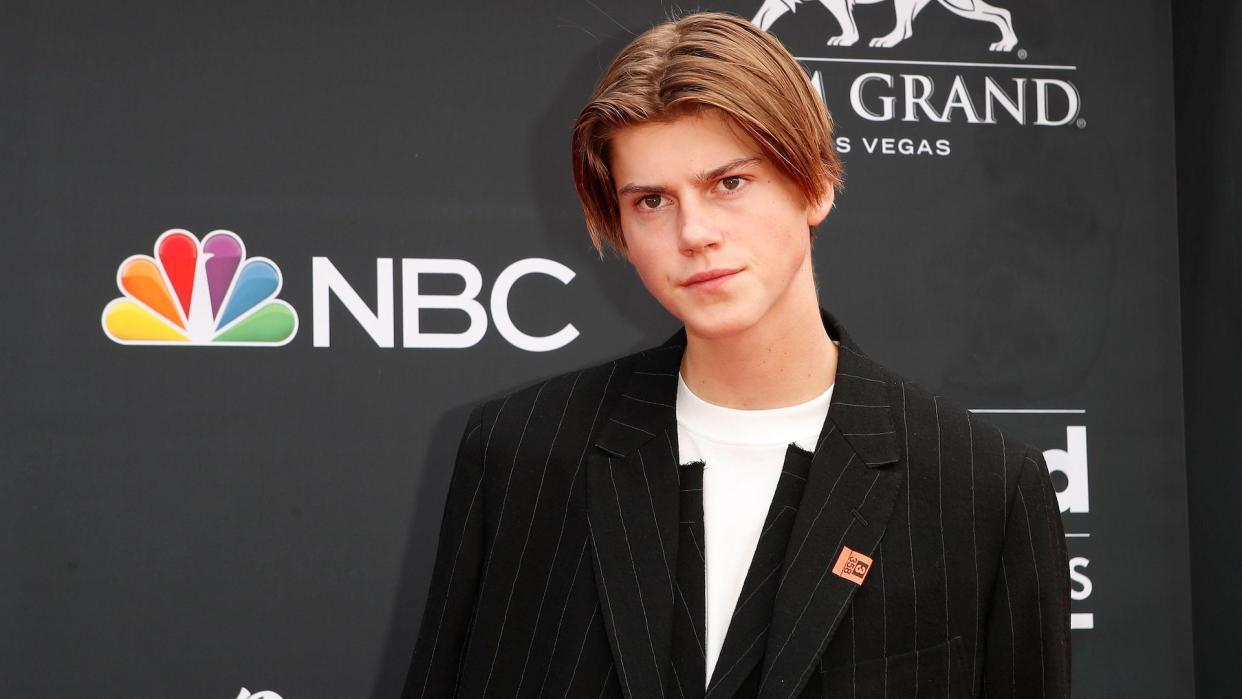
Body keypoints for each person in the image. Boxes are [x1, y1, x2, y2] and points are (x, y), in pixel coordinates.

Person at [402, 11, 1069, 699]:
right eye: (653, 200)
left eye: (729, 183)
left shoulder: (981, 486)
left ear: (814, 183)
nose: (694, 233)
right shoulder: (522, 454)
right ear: (622, 228)